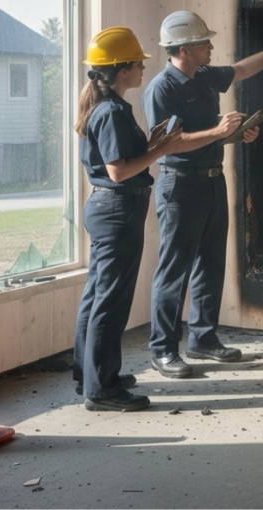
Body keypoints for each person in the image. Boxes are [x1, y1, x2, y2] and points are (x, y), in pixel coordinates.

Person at [143, 10, 263, 378]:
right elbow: (168, 144)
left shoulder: (203, 75)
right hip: (180, 183)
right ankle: (163, 350)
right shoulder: (162, 88)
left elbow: (241, 69)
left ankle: (203, 339)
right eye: (204, 42)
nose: (210, 46)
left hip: (211, 180)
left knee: (210, 262)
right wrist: (220, 131)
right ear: (185, 48)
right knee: (174, 269)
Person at [73, 26, 184, 410]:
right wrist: (163, 149)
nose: (142, 70)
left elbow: (119, 163)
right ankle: (102, 389)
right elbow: (119, 171)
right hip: (118, 210)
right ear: (122, 71)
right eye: (138, 64)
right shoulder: (113, 111)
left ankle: (88, 375)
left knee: (96, 296)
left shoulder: (107, 108)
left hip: (108, 209)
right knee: (111, 301)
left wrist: (151, 145)